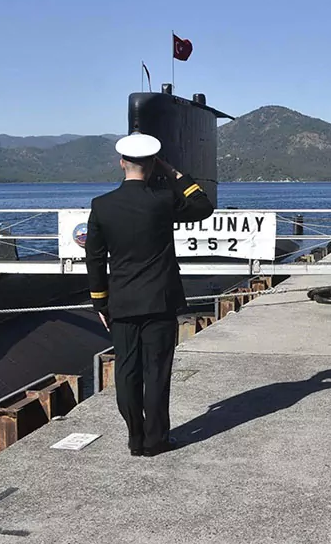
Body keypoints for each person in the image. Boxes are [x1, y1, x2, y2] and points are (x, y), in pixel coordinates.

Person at [85, 132, 214, 456]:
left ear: (121, 163)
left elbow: (95, 257)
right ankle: (156, 439)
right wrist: (172, 172)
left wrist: (100, 301)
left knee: (127, 372)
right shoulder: (162, 199)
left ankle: (134, 437)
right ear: (153, 163)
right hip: (160, 301)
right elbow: (202, 206)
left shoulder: (102, 206)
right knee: (156, 372)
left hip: (123, 302)